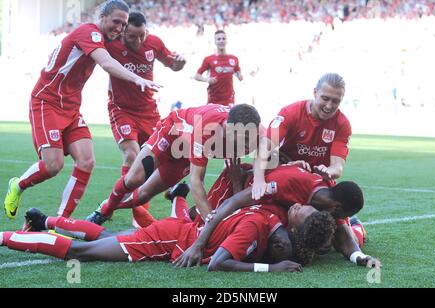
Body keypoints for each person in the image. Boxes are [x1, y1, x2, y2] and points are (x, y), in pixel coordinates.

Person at [3, 0, 160, 220]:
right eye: (116, 21)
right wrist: (137, 78)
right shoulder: (89, 32)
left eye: (123, 25)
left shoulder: (104, 40)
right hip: (46, 102)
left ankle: (59, 221)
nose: (119, 28)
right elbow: (106, 63)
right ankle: (18, 185)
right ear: (102, 17)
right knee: (53, 165)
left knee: (87, 161)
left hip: (71, 108)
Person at [174, 163, 381, 269]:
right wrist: (198, 245)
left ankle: (357, 227)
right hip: (238, 187)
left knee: (334, 242)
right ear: (336, 208)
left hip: (268, 212)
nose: (339, 221)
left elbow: (345, 240)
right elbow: (233, 202)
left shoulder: (329, 197)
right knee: (200, 227)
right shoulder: (285, 184)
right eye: (343, 216)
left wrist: (360, 257)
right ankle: (178, 199)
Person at [86, 104, 261, 225]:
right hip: (171, 134)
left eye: (249, 139)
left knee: (144, 195)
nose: (246, 146)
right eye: (242, 139)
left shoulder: (258, 136)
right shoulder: (206, 130)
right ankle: (104, 211)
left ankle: (175, 195)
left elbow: (246, 163)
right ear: (229, 128)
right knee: (134, 179)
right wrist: (210, 221)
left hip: (186, 153)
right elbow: (196, 181)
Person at [0, 205, 302, 273]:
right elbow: (217, 264)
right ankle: (4, 237)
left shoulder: (271, 217)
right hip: (167, 240)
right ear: (277, 243)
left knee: (108, 236)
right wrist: (270, 269)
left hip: (177, 231)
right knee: (82, 252)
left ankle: (44, 222)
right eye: (275, 254)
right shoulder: (254, 230)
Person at [105, 12, 186, 226]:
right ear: (123, 31)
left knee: (162, 158)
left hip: (149, 111)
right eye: (133, 36)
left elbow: (174, 65)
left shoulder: (154, 43)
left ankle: (136, 201)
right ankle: (138, 215)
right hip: (121, 109)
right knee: (133, 156)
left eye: (142, 36)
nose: (138, 41)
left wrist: (180, 62)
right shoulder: (110, 45)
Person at [252, 73, 352, 201]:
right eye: (325, 98)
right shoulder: (290, 113)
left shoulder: (342, 124)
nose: (329, 106)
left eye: (335, 101)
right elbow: (264, 147)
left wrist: (328, 172)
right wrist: (259, 180)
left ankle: (348, 221)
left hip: (317, 180)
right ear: (315, 92)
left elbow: (337, 167)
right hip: (287, 173)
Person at [194, 30, 243, 106]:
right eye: (219, 39)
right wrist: (207, 80)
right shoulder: (209, 59)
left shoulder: (234, 59)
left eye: (223, 38)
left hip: (229, 99)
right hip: (214, 100)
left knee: (229, 117)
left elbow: (237, 71)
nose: (221, 41)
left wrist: (239, 75)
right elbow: (197, 76)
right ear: (215, 42)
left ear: (226, 41)